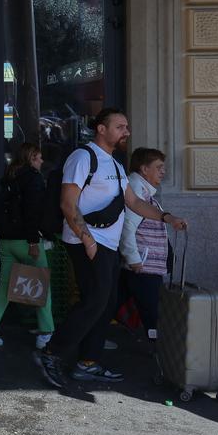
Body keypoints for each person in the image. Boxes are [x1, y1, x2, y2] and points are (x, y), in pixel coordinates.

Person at [35, 109, 188, 388]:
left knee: (105, 304)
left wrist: (166, 218)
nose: (126, 132)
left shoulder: (116, 165)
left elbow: (134, 203)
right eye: (120, 127)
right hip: (87, 243)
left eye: (126, 127)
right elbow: (68, 204)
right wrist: (88, 241)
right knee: (95, 301)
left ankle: (88, 362)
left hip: (108, 244)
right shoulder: (83, 158)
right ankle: (52, 353)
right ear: (101, 129)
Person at [0, 142, 54, 349]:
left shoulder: (9, 178)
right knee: (42, 285)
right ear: (31, 158)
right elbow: (33, 212)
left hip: (6, 241)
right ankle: (46, 333)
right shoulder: (34, 179)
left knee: (4, 287)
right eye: (38, 157)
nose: (41, 161)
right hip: (27, 241)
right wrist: (33, 241)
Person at [118, 148, 171, 341]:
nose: (163, 171)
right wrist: (134, 259)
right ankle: (158, 350)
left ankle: (92, 340)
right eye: (158, 167)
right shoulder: (137, 188)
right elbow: (128, 227)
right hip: (142, 266)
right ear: (144, 169)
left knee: (111, 304)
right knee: (151, 312)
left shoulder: (143, 190)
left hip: (142, 264)